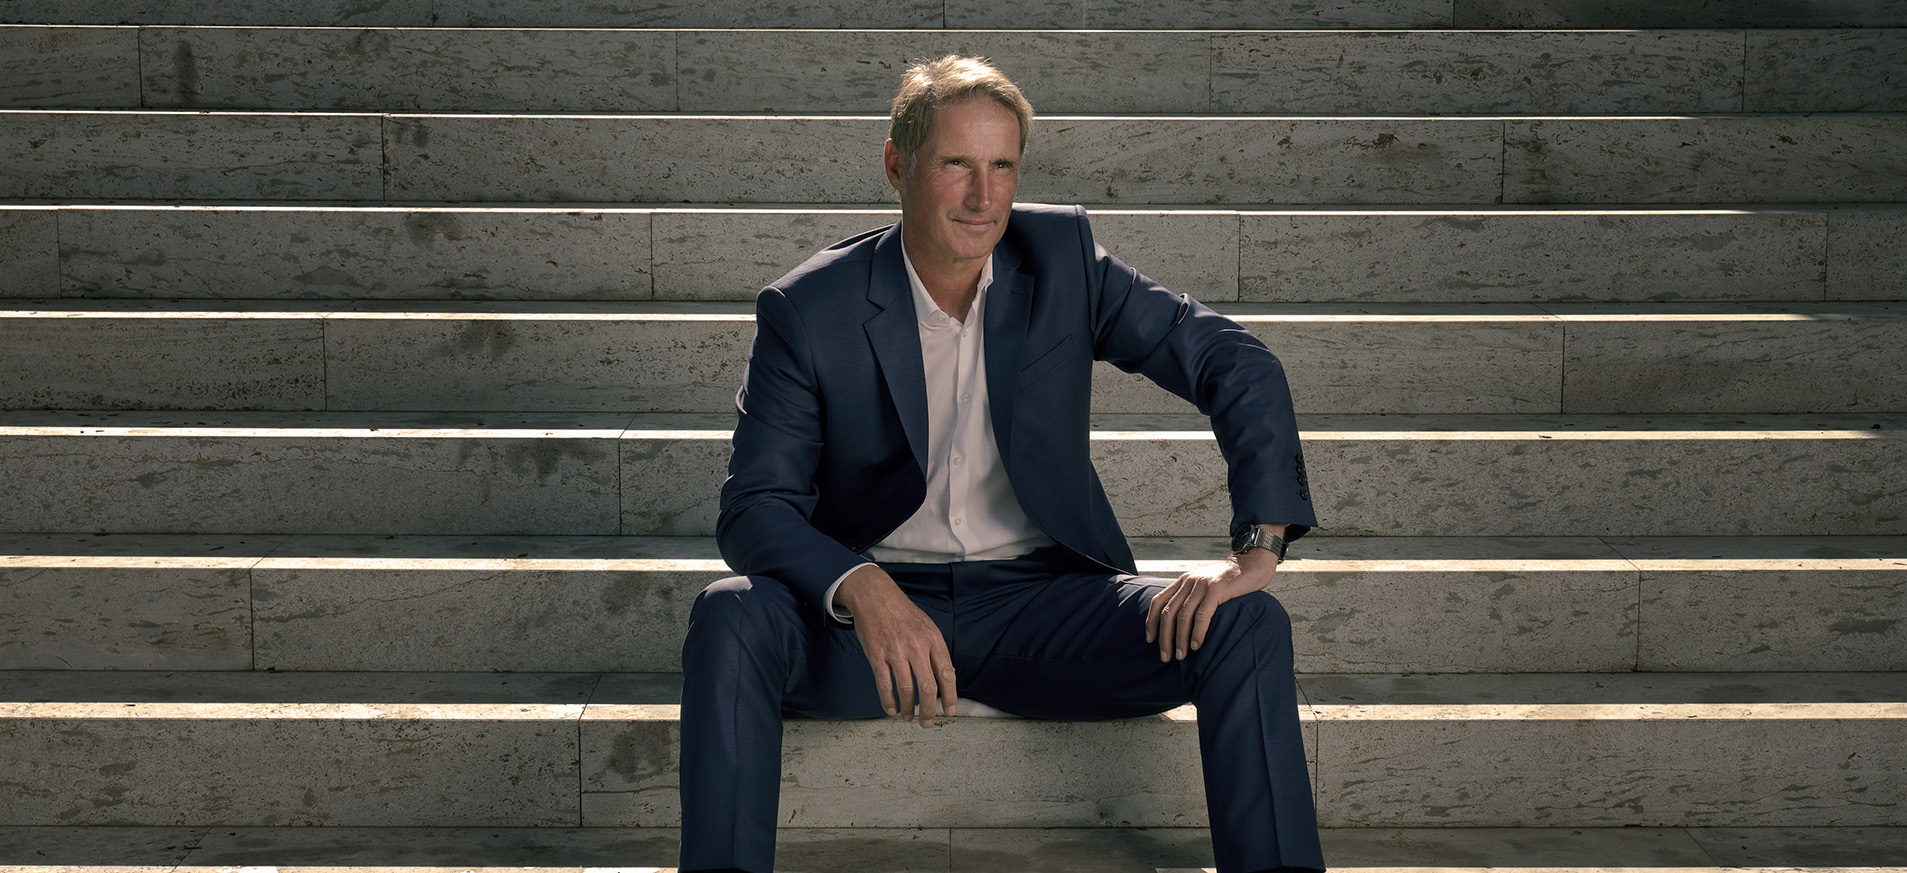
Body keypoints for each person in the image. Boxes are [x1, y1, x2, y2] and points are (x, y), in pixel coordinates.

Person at [679, 55, 1323, 873]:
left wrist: (1257, 544)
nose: (984, 198)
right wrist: (861, 588)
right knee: (729, 613)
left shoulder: (1063, 261)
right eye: (956, 166)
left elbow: (1234, 362)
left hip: (1044, 607)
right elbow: (755, 504)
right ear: (895, 164)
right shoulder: (809, 308)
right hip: (869, 626)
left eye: (1002, 167)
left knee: (1244, 622)